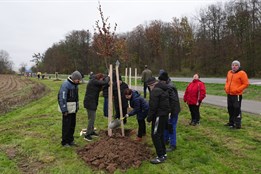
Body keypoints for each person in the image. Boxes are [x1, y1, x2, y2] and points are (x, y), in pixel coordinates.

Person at [146, 77, 170, 164]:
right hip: (164, 114)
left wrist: (149, 118)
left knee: (155, 135)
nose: (149, 88)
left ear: (151, 85)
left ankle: (160, 157)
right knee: (160, 134)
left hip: (159, 116)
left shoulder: (155, 92)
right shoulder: (162, 89)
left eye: (149, 86)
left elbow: (153, 107)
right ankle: (163, 153)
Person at [58, 70, 82, 147]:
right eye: (78, 79)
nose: (79, 81)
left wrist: (77, 107)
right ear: (74, 78)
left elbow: (76, 98)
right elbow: (62, 98)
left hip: (73, 109)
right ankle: (64, 142)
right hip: (67, 110)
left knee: (72, 125)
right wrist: (64, 110)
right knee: (66, 126)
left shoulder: (75, 85)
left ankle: (70, 140)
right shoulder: (66, 85)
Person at [158, 71, 181, 152]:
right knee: (166, 125)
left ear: (164, 80)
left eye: (161, 81)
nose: (160, 83)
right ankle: (165, 140)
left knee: (171, 127)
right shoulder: (167, 85)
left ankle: (173, 145)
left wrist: (170, 111)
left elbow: (173, 100)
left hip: (173, 111)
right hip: (168, 110)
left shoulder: (170, 87)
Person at [83, 73, 110, 141]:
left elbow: (103, 85)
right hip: (90, 103)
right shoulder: (93, 81)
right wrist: (108, 77)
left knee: (93, 118)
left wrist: (107, 84)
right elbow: (104, 82)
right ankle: (87, 135)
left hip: (93, 103)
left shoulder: (95, 83)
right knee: (91, 119)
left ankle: (91, 132)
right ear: (99, 78)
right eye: (101, 79)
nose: (101, 80)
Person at [224, 60, 249, 129]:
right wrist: (226, 88)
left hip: (237, 95)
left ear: (239, 66)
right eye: (233, 65)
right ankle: (231, 122)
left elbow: (246, 84)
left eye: (236, 65)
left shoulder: (242, 73)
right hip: (229, 94)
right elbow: (227, 81)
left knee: (236, 108)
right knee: (230, 108)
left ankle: (237, 124)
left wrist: (237, 90)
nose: (234, 66)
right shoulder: (229, 72)